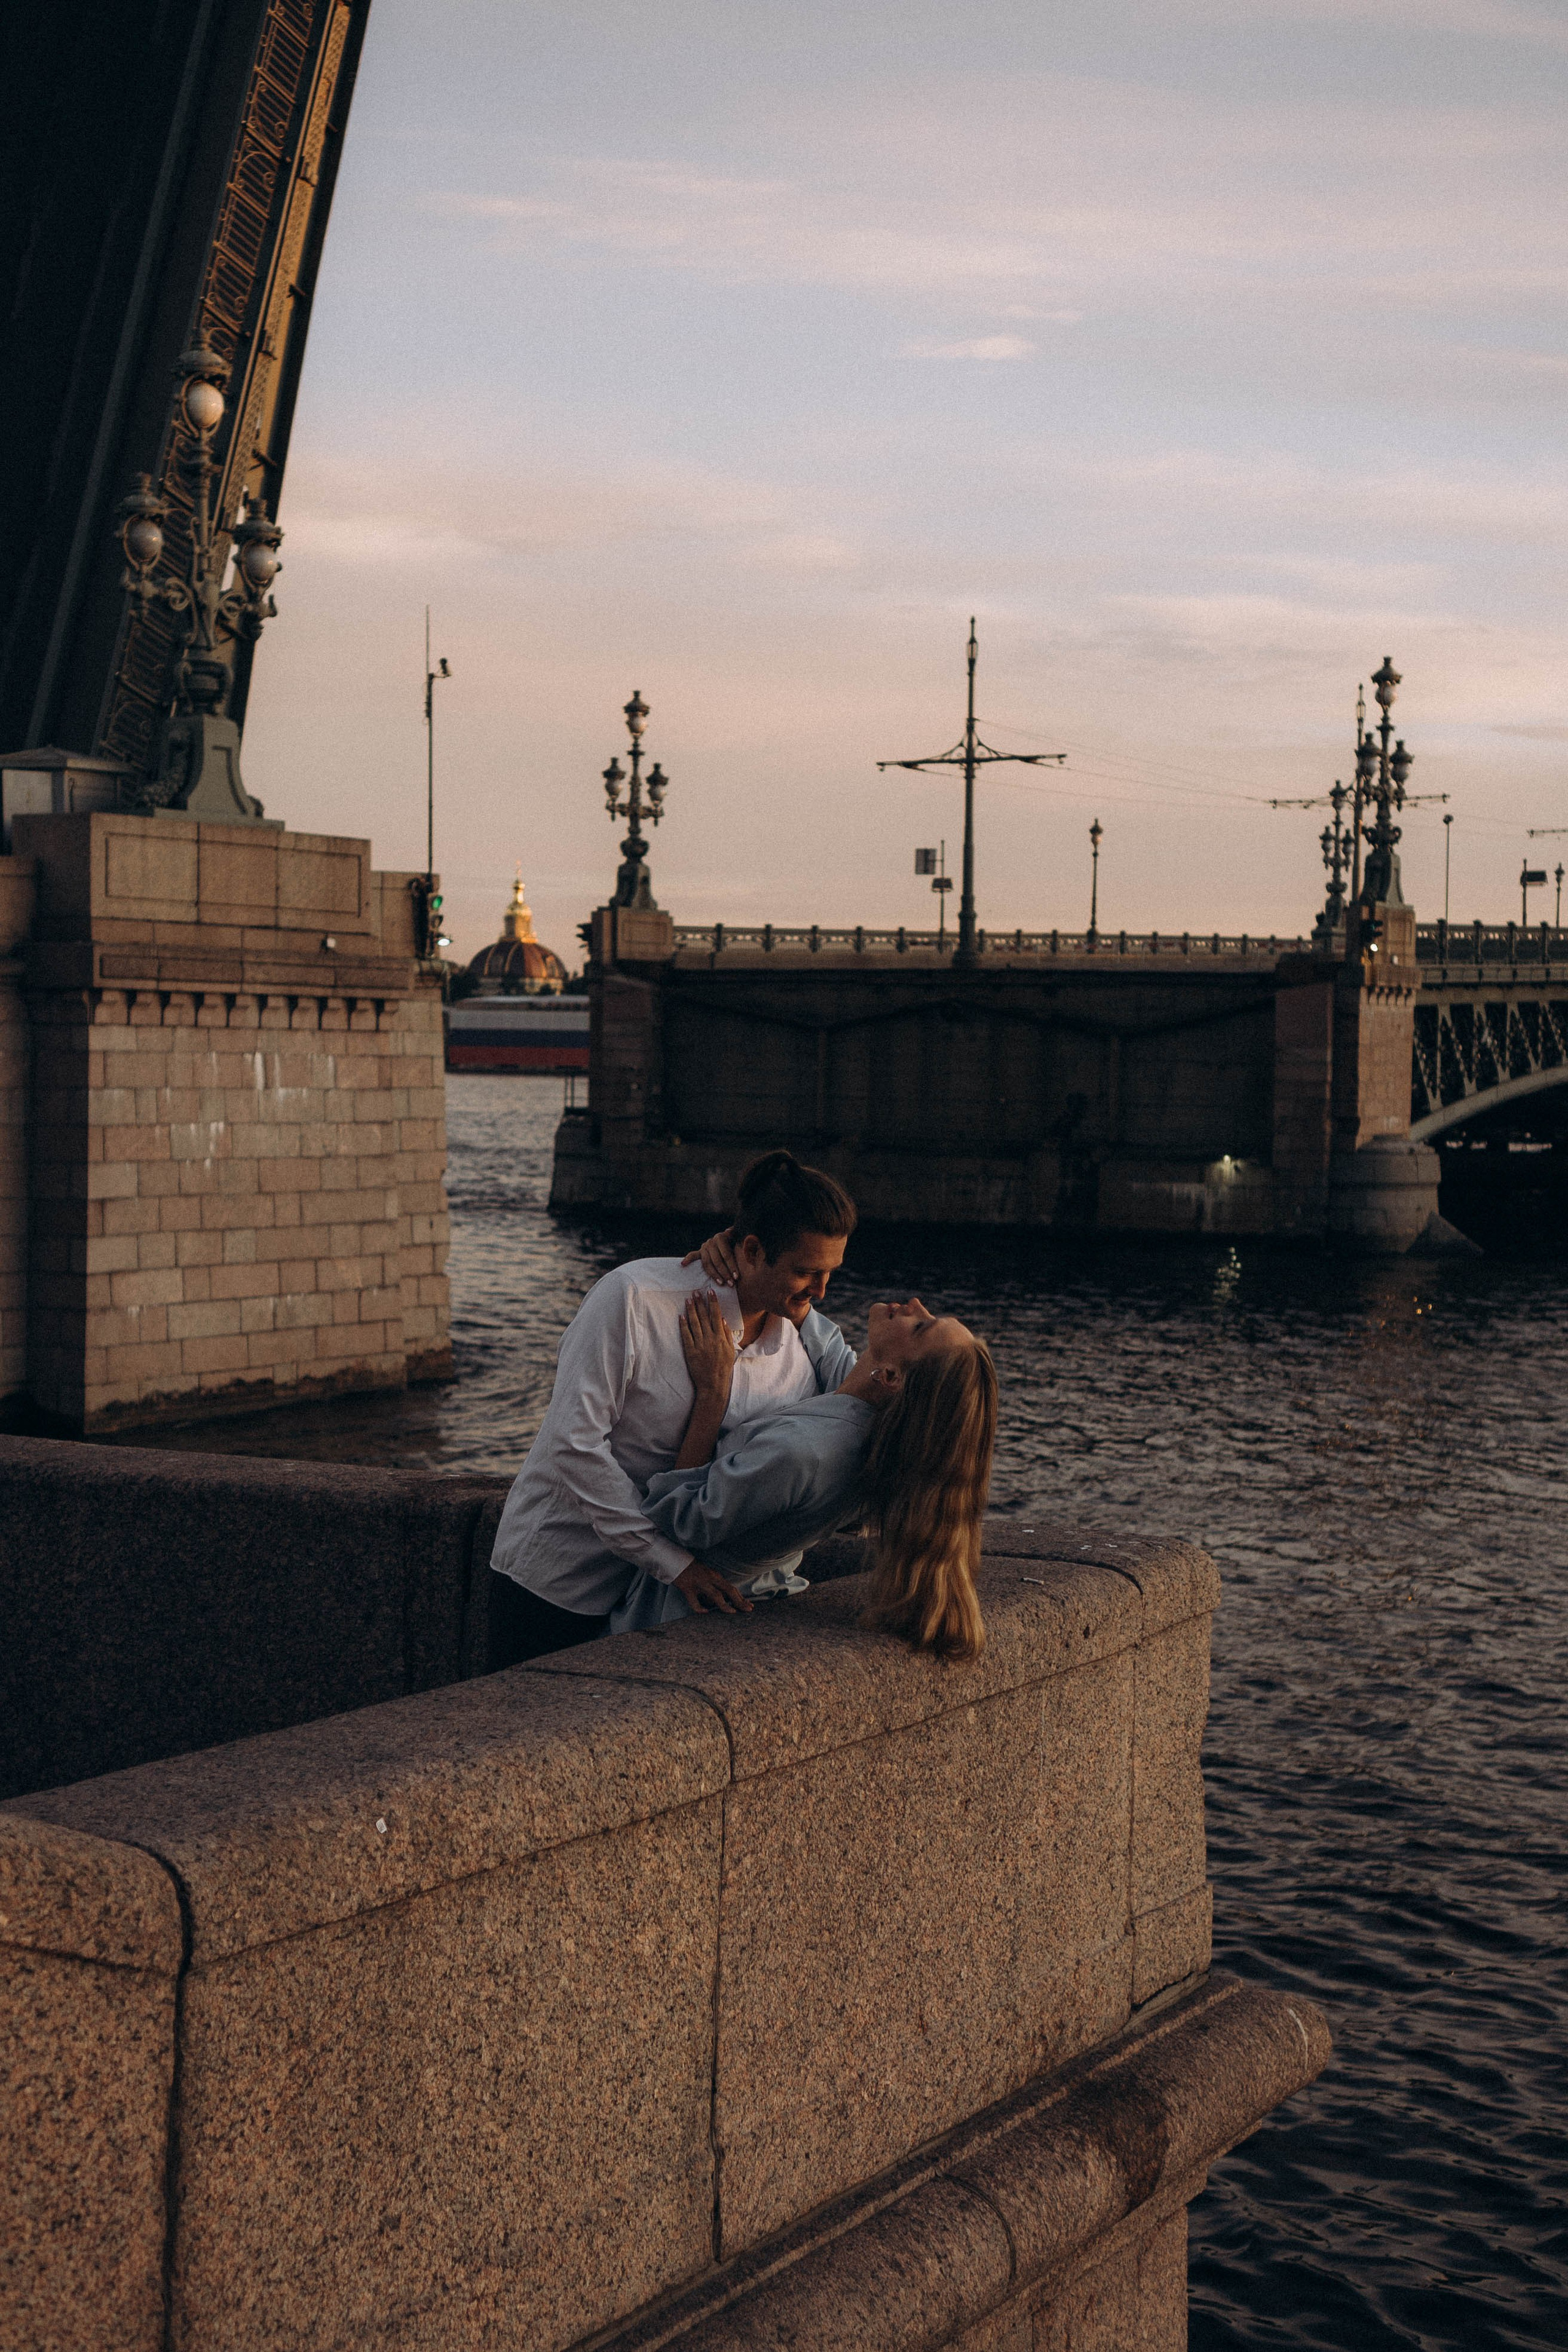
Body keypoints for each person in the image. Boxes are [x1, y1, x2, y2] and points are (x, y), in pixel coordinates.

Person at [487, 1150, 859, 1662]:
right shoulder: (637, 1298)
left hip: (657, 1604)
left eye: (830, 1272)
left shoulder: (798, 1364)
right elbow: (572, 1444)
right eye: (805, 1272)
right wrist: (672, 1563)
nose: (821, 1291)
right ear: (751, 1251)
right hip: (558, 1578)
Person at [611, 1291, 998, 1661]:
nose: (917, 1305)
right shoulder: (880, 1428)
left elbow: (679, 1519)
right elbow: (832, 1354)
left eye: (921, 1327)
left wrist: (713, 1394)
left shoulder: (803, 1454)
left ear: (893, 1377)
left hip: (679, 1620)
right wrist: (765, 1273)